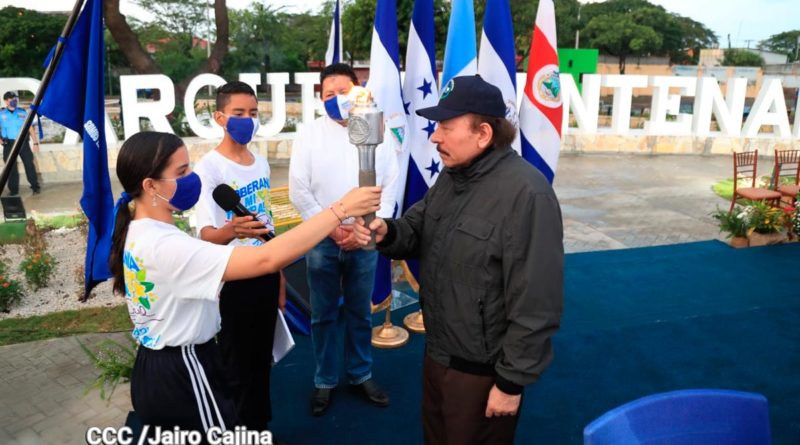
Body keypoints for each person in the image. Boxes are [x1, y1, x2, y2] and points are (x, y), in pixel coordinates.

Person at [109, 131, 380, 439]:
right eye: (181, 172)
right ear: (150, 185)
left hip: (161, 366)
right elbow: (266, 259)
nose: (192, 178)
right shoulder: (165, 246)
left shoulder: (143, 231)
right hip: (183, 369)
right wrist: (339, 210)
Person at [368, 75, 564, 445]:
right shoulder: (453, 176)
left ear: (484, 134)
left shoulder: (527, 194)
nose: (434, 137)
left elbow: (537, 302)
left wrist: (510, 383)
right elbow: (417, 227)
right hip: (439, 353)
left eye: (445, 125)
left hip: (483, 374)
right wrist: (386, 232)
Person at [288, 63, 399, 416]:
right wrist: (330, 226)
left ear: (358, 90)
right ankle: (324, 379)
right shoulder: (309, 133)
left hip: (364, 236)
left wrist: (364, 227)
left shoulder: (374, 128)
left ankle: (360, 373)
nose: (336, 99)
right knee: (322, 313)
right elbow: (298, 189)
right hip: (322, 237)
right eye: (328, 94)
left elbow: (390, 182)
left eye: (342, 92)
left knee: (358, 311)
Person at [193, 81, 283, 432]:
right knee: (237, 364)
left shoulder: (260, 163)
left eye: (253, 113)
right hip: (232, 277)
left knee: (261, 361)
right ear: (219, 117)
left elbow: (267, 224)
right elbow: (206, 235)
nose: (247, 120)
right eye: (238, 113)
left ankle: (260, 429)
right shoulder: (209, 169)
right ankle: (238, 432)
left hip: (266, 270)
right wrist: (234, 231)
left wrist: (280, 274)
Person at [0, 91, 41, 195]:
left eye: (14, 98)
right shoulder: (1, 114)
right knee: (11, 168)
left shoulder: (23, 112)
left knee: (29, 165)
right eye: (10, 99)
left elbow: (30, 128)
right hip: (8, 144)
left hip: (23, 143)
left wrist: (35, 143)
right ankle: (13, 190)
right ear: (6, 101)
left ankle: (35, 186)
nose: (13, 100)